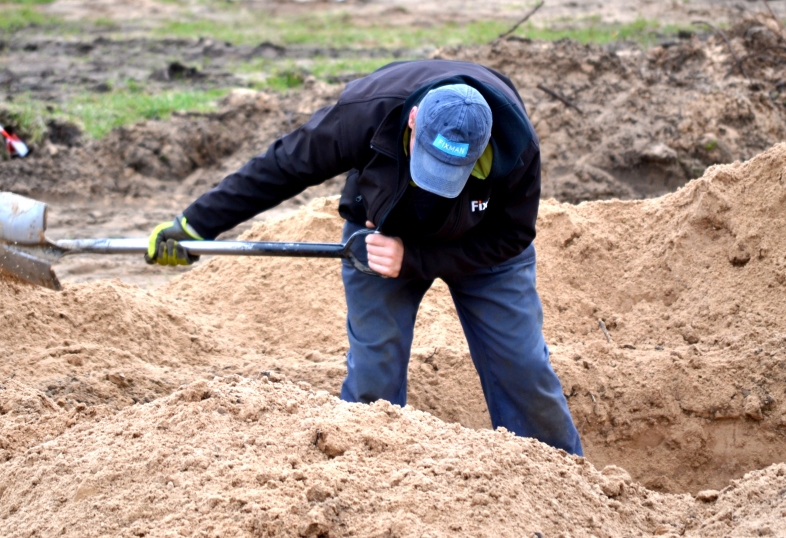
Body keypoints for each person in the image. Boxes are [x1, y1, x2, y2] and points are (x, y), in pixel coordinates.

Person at [144, 59, 583, 455]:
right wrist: (197, 224)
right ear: (412, 120)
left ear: (484, 145)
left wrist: (414, 259)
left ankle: (561, 481)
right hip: (381, 234)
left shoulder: (517, 147)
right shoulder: (367, 111)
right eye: (428, 162)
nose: (435, 182)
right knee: (374, 375)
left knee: (523, 368)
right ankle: (363, 485)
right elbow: (282, 167)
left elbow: (514, 235)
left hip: (481, 245)